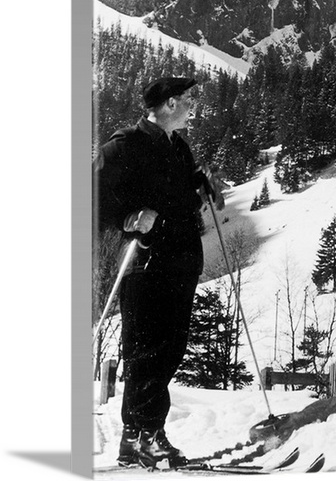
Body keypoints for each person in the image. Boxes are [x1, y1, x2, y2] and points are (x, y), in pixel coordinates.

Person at [94, 76, 224, 469]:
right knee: (148, 351)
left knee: (165, 351)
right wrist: (128, 218)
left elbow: (177, 190)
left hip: (179, 261)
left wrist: (202, 184)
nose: (192, 105)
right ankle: (149, 435)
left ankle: (135, 439)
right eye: (187, 99)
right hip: (146, 262)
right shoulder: (123, 147)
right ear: (168, 104)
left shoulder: (176, 146)